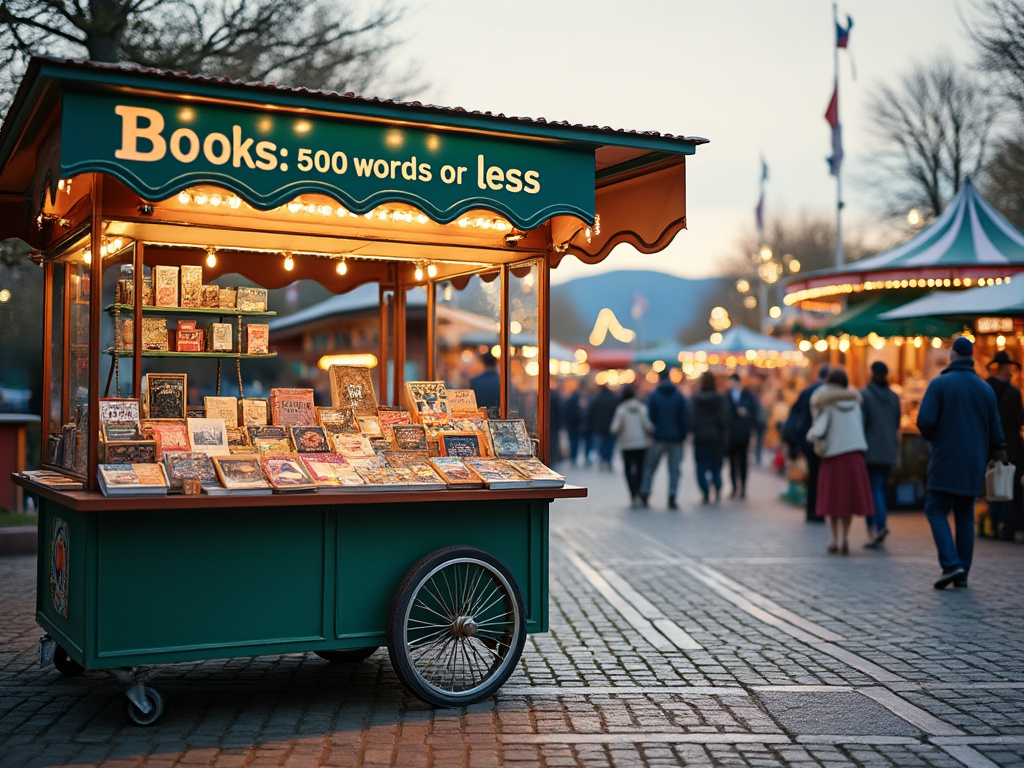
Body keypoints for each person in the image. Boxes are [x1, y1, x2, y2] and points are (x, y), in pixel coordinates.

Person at [917, 336, 1006, 589]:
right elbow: (995, 430)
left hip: (945, 458)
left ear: (953, 355)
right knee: (965, 515)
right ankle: (962, 571)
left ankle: (950, 564)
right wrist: (997, 451)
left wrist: (935, 438)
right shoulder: (985, 389)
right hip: (973, 462)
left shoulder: (940, 384)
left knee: (935, 509)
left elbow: (925, 421)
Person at [806, 367, 874, 554]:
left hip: (834, 455)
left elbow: (819, 429)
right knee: (848, 502)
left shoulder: (827, 404)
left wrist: (811, 435)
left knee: (833, 502)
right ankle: (845, 539)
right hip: (854, 455)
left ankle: (835, 539)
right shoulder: (856, 403)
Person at [861, 361, 902, 548]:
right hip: (889, 449)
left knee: (872, 491)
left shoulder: (865, 396)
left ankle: (877, 527)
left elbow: (862, 424)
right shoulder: (894, 397)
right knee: (880, 489)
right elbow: (896, 423)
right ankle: (878, 526)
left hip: (871, 450)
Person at [985, 350, 1024, 542]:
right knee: (1011, 489)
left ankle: (994, 524)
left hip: (990, 446)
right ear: (1006, 368)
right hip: (1011, 447)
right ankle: (1009, 527)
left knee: (993, 488)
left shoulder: (986, 388)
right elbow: (1019, 420)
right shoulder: (1013, 393)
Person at [782, 364, 830, 522]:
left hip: (808, 440)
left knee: (813, 475)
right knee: (822, 477)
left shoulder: (807, 392)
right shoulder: (830, 394)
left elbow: (796, 415)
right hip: (825, 440)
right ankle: (820, 511)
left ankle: (811, 511)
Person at [638, 368, 689, 509]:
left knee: (650, 467)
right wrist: (683, 434)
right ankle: (672, 495)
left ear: (659, 378)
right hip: (676, 439)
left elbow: (650, 416)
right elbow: (684, 417)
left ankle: (646, 492)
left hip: (658, 437)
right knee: (674, 470)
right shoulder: (678, 395)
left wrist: (652, 433)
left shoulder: (654, 395)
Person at [609, 384, 653, 506]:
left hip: (626, 444)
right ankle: (639, 489)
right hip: (641, 444)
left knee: (628, 469)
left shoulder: (621, 409)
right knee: (640, 468)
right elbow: (648, 425)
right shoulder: (642, 408)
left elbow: (614, 428)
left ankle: (632, 492)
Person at [690, 371, 729, 504]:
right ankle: (717, 487)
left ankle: (705, 490)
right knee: (716, 466)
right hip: (716, 437)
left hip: (701, 438)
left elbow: (692, 418)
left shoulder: (696, 399)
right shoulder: (720, 399)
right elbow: (724, 419)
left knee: (701, 466)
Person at [726, 373, 759, 499]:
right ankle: (734, 487)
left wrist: (747, 415)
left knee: (743, 461)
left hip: (744, 433)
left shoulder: (747, 395)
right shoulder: (728, 395)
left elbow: (754, 411)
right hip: (731, 434)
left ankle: (743, 487)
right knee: (732, 463)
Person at [587, 383, 620, 471]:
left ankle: (601, 459)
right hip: (610, 426)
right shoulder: (614, 398)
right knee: (609, 445)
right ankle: (608, 461)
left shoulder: (597, 398)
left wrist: (590, 425)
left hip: (599, 426)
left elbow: (591, 412)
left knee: (600, 445)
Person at [562, 379, 588, 467]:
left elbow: (566, 411)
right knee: (575, 441)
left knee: (573, 440)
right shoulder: (578, 400)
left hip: (571, 423)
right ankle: (574, 456)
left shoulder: (571, 399)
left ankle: (573, 456)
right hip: (575, 423)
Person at [469, 352, 500, 417]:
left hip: (480, 418)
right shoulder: (501, 381)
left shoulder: (475, 381)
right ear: (496, 363)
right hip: (498, 418)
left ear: (483, 363)